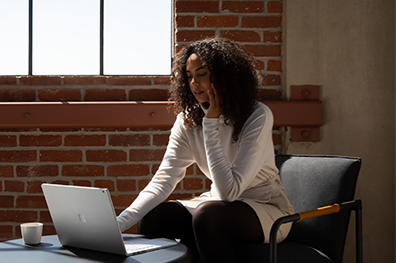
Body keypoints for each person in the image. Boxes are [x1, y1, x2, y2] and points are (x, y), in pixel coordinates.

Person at [116, 37, 294, 262]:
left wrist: (211, 124)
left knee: (208, 215)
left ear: (225, 76)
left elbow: (231, 192)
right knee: (155, 216)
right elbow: (163, 180)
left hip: (265, 209)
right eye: (189, 76)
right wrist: (118, 224)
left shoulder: (257, 115)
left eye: (202, 74)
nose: (193, 83)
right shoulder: (187, 120)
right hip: (215, 205)